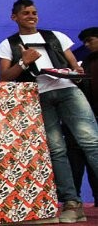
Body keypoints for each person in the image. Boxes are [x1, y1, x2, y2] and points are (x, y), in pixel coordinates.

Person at [0, 0, 98, 223]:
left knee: (91, 141)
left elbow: (74, 66)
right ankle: (72, 203)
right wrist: (24, 63)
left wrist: (75, 71)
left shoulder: (56, 36)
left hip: (67, 90)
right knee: (56, 150)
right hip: (38, 96)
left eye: (34, 12)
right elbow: (4, 79)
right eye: (25, 13)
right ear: (14, 17)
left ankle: (73, 203)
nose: (31, 16)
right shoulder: (8, 43)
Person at [63, 27, 98, 207]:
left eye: (90, 40)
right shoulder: (83, 64)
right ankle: (73, 200)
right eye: (84, 42)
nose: (86, 45)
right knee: (78, 160)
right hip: (84, 116)